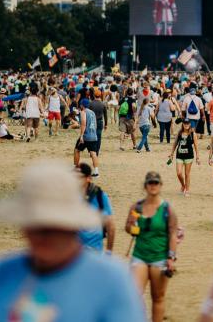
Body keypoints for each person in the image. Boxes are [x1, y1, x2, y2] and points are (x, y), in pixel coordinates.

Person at [0, 161, 145, 321]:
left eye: (55, 226)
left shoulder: (112, 280)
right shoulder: (0, 275)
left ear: (73, 225)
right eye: (36, 225)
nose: (43, 236)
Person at [126, 171, 179, 322]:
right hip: (140, 256)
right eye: (150, 183)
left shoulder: (168, 209)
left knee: (158, 297)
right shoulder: (136, 207)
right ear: (145, 186)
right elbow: (128, 228)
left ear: (161, 186)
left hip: (160, 257)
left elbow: (173, 234)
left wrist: (171, 258)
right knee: (134, 296)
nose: (153, 186)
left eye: (156, 183)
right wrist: (133, 225)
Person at [78, 163, 115, 252]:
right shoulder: (66, 196)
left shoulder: (99, 196)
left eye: (79, 177)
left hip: (94, 249)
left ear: (88, 178)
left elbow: (110, 226)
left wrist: (109, 252)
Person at [168, 120, 200, 196]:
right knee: (179, 173)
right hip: (179, 155)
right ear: (183, 124)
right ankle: (183, 185)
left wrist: (197, 157)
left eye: (188, 123)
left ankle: (187, 190)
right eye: (185, 123)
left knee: (187, 174)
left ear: (190, 124)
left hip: (189, 156)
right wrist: (171, 153)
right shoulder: (179, 133)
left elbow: (196, 146)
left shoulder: (193, 134)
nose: (186, 125)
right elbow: (175, 143)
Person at [74, 98, 100, 176]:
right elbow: (95, 124)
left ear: (82, 105)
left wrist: (81, 135)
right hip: (93, 135)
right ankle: (96, 171)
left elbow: (83, 124)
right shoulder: (92, 112)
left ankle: (76, 168)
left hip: (86, 136)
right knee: (93, 153)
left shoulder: (83, 112)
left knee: (77, 150)